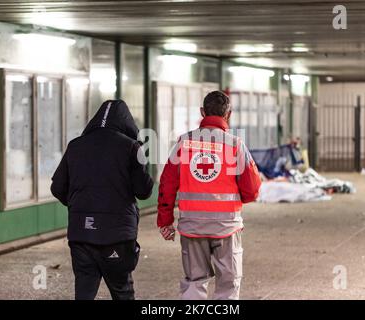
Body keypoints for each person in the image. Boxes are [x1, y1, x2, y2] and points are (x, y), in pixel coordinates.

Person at [157, 91, 261, 300]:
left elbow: (167, 184)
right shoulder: (235, 145)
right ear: (228, 114)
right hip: (227, 228)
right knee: (228, 285)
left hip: (191, 226)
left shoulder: (184, 143)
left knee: (194, 282)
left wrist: (165, 220)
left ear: (202, 112)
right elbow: (252, 189)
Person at [51, 100, 153, 300]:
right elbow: (144, 191)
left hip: (81, 234)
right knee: (122, 291)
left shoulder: (76, 146)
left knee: (84, 292)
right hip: (117, 235)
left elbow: (57, 188)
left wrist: (78, 206)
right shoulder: (131, 147)